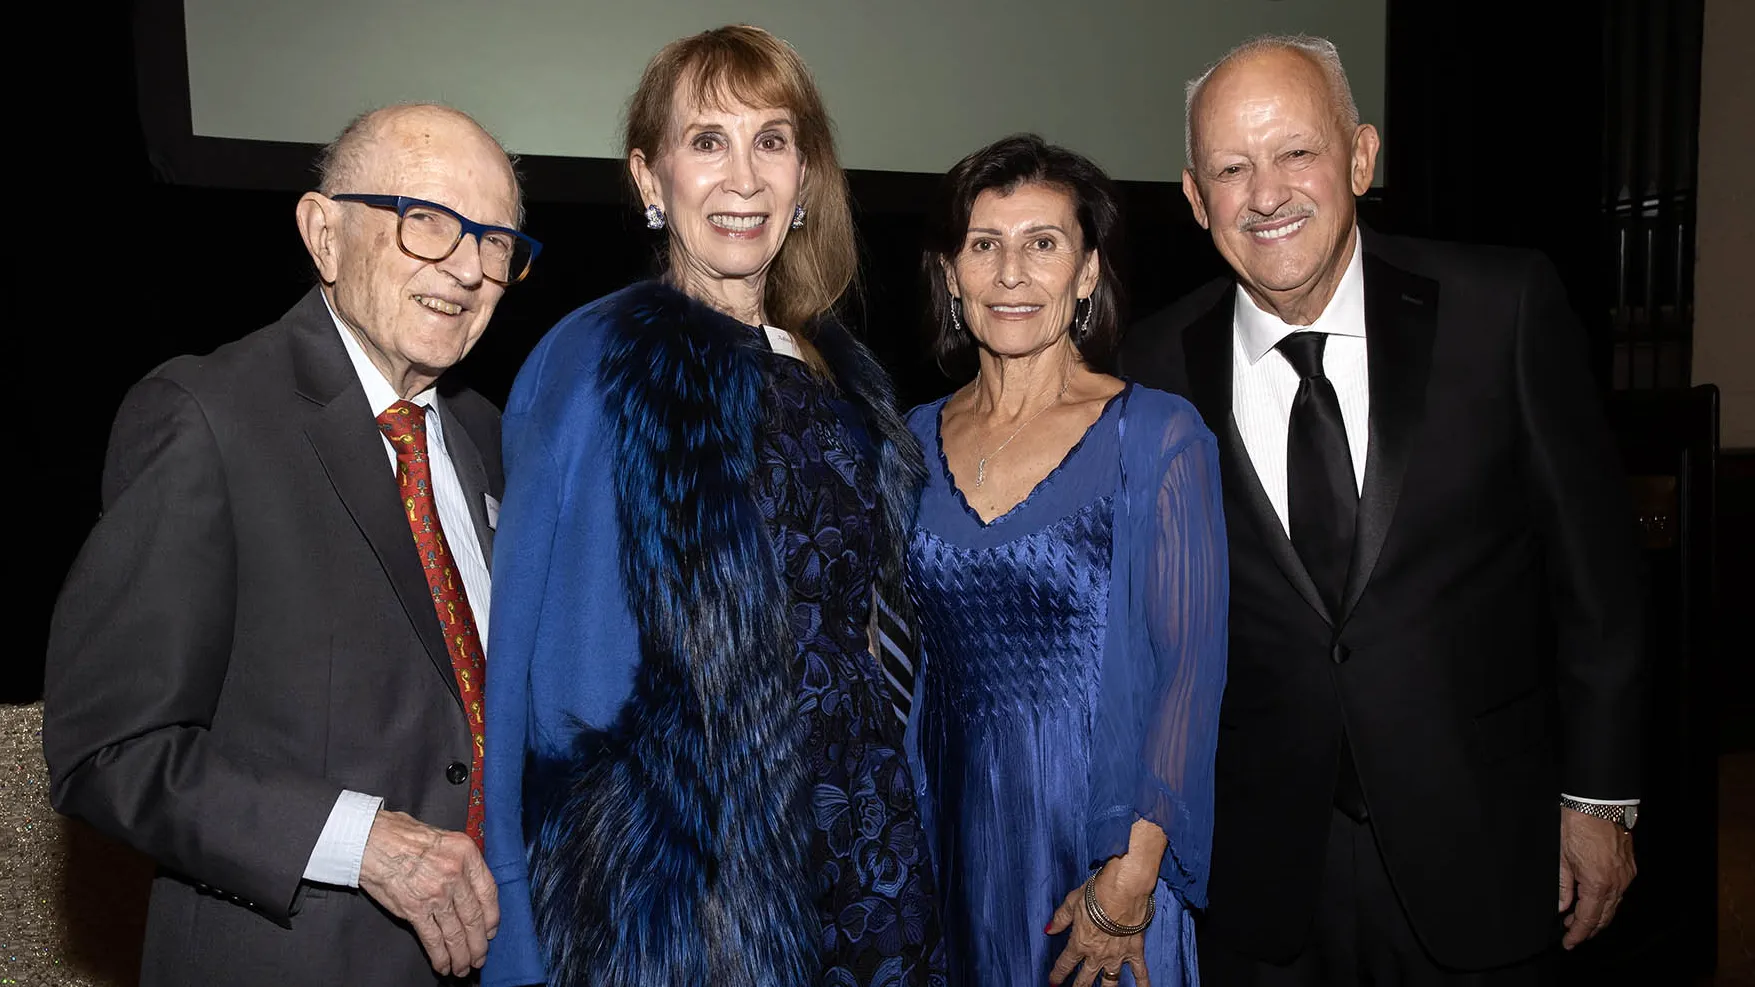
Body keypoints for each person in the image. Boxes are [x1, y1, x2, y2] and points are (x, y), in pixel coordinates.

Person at [1120, 35, 1647, 985]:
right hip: (1257, 880)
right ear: (1196, 201)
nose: (1266, 194)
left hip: (1483, 848)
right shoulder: (1150, 367)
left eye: (1296, 153)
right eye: (1231, 169)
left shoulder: (1502, 307)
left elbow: (1598, 583)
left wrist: (1599, 801)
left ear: (1360, 157)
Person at [481, 25, 944, 987]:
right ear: (650, 180)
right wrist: (518, 916)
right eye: (708, 141)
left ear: (805, 175)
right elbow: (530, 660)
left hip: (864, 849)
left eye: (772, 140)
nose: (743, 177)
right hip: (687, 896)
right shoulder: (599, 362)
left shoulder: (843, 378)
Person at [43, 103, 541, 984]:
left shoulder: (495, 440)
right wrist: (363, 841)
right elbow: (108, 749)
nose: (465, 267)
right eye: (426, 221)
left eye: (496, 241)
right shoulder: (210, 415)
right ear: (323, 233)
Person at [904, 134, 1228, 987]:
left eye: (1042, 244)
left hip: (1098, 843)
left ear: (1086, 274)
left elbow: (1187, 678)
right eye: (985, 245)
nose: (1011, 273)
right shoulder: (902, 441)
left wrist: (1130, 878)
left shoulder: (1156, 437)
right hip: (947, 836)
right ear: (950, 272)